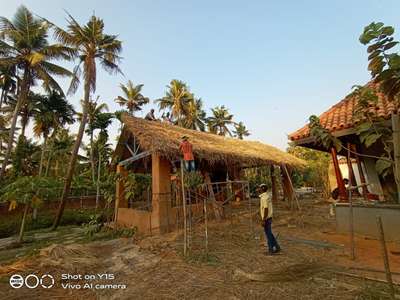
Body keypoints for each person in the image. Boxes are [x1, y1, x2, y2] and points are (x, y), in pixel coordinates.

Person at [259, 184, 280, 255]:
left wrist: (263, 219)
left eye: (260, 188)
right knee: (269, 233)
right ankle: (277, 247)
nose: (259, 189)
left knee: (268, 235)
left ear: (262, 189)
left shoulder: (264, 198)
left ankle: (271, 250)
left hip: (266, 218)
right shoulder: (268, 196)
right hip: (269, 217)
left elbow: (266, 209)